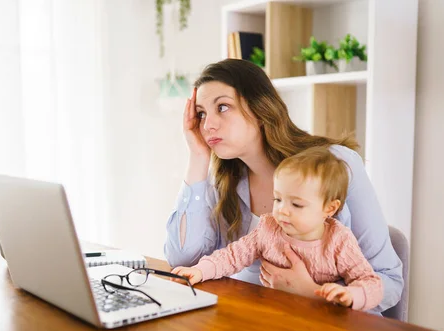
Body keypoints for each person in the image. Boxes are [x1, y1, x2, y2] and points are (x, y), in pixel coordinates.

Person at [163, 58, 403, 313]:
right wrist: (198, 156)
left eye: (222, 107)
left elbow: (389, 281)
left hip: (327, 330)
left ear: (260, 109)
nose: (207, 125)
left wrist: (313, 294)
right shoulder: (223, 182)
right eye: (201, 114)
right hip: (253, 323)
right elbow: (182, 260)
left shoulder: (336, 165)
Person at [171, 147, 383, 311]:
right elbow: (232, 256)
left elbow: (372, 283)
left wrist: (352, 295)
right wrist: (199, 270)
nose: (282, 211)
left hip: (322, 324)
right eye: (278, 199)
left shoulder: (339, 240)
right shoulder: (268, 228)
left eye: (296, 204)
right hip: (275, 316)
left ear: (329, 208)